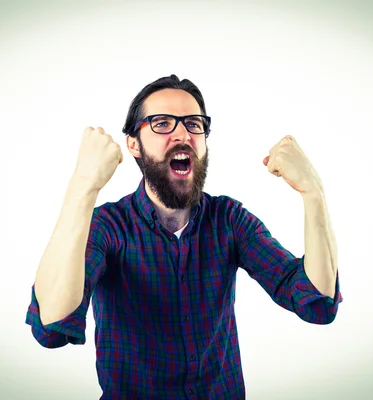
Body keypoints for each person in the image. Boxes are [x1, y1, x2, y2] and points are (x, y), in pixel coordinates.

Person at [25, 74, 343, 399]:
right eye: (162, 123)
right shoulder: (107, 226)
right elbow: (52, 325)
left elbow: (316, 303)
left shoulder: (229, 220)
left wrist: (313, 192)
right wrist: (83, 185)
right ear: (133, 143)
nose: (183, 133)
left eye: (194, 123)